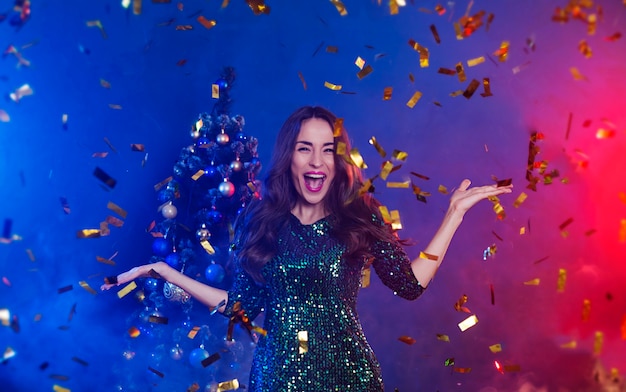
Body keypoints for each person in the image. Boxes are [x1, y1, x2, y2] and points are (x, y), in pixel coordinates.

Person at [102, 106, 513, 391]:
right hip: (278, 379)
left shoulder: (360, 215)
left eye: (327, 149)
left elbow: (410, 285)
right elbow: (239, 305)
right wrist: (164, 271)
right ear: (290, 157)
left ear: (336, 160)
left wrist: (453, 216)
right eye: (305, 148)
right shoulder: (262, 222)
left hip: (348, 377)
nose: (316, 160)